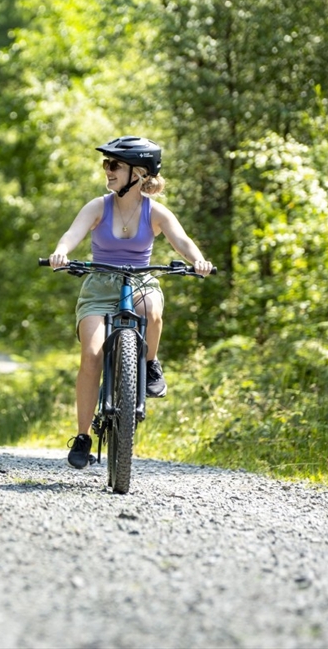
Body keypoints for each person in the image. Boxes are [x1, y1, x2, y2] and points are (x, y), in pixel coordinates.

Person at [47, 136, 213, 469]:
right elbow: (72, 233)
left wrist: (199, 261)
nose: (107, 171)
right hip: (99, 285)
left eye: (114, 165)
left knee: (153, 311)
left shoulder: (156, 213)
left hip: (140, 280)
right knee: (91, 354)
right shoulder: (98, 207)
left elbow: (182, 241)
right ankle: (83, 436)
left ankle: (150, 363)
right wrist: (62, 252)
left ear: (138, 173)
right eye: (106, 165)